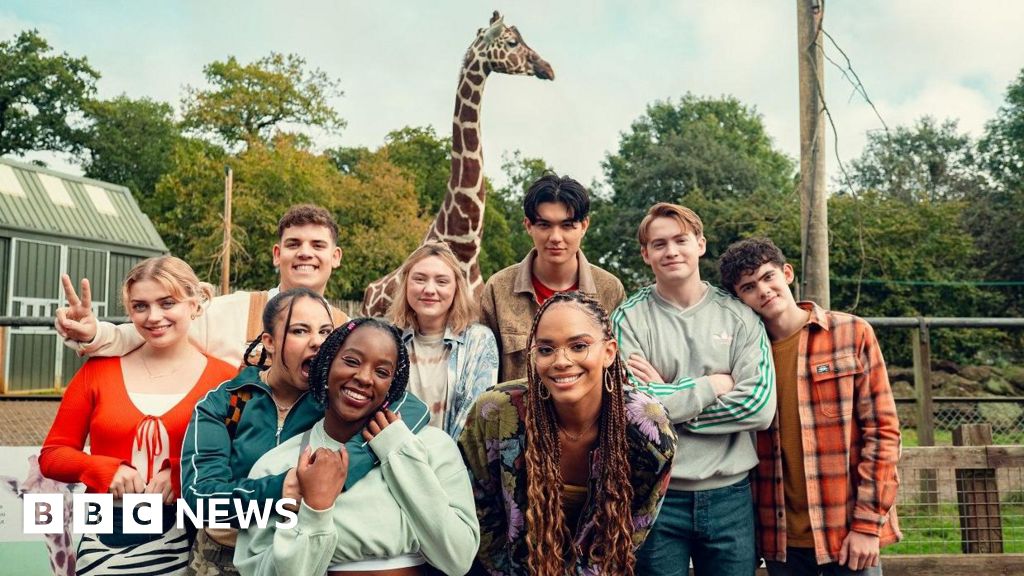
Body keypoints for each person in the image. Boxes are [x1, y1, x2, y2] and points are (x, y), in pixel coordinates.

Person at [181, 290, 427, 575]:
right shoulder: (226, 402)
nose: (317, 342)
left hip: (300, 554)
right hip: (222, 556)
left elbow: (412, 408)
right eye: (300, 330)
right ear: (269, 342)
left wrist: (338, 472)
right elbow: (199, 500)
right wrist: (281, 489)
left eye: (325, 331)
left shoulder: (337, 398)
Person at [39, 256, 238, 575]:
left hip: (192, 538)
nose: (154, 316)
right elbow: (52, 455)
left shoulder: (228, 380)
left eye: (167, 302)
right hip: (107, 540)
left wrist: (181, 475)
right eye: (140, 306)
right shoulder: (97, 372)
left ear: (195, 304)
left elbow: (243, 456)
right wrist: (102, 469)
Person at [234, 318, 479, 576]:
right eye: (351, 361)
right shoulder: (278, 466)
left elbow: (458, 558)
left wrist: (400, 453)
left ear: (392, 387)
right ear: (327, 366)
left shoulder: (433, 447)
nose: (364, 378)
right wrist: (316, 509)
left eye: (382, 372)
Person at [718, 237, 901, 576]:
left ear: (787, 273)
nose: (763, 290)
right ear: (739, 298)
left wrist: (866, 526)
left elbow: (884, 433)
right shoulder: (743, 357)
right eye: (748, 286)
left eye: (768, 276)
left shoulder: (851, 333)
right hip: (780, 541)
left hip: (847, 533)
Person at [611, 202, 777, 576]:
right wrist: (712, 385)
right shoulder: (628, 318)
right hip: (655, 495)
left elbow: (759, 408)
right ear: (645, 254)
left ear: (700, 244)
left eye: (680, 240)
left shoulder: (740, 316)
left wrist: (668, 397)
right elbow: (633, 411)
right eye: (659, 244)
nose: (671, 251)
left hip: (730, 496)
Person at [460, 291, 676, 575]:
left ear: (609, 352)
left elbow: (633, 527)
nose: (561, 360)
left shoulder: (647, 429)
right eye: (546, 349)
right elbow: (481, 515)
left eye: (578, 346)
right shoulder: (496, 413)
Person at [55, 204, 349, 367]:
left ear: (335, 257)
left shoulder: (347, 331)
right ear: (277, 254)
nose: (305, 253)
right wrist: (93, 334)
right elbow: (149, 332)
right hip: (226, 464)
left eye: (318, 245)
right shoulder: (231, 311)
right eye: (294, 244)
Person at [480, 173, 625, 382]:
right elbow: (484, 374)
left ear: (584, 226)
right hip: (519, 413)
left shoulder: (609, 289)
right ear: (528, 226)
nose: (556, 237)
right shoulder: (498, 288)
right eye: (544, 225)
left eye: (567, 225)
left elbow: (617, 371)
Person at [387, 242, 499, 438]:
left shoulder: (479, 341)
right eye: (420, 279)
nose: (429, 290)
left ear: (457, 287)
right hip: (395, 457)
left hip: (454, 463)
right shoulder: (388, 339)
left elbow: (475, 417)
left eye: (441, 281)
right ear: (406, 284)